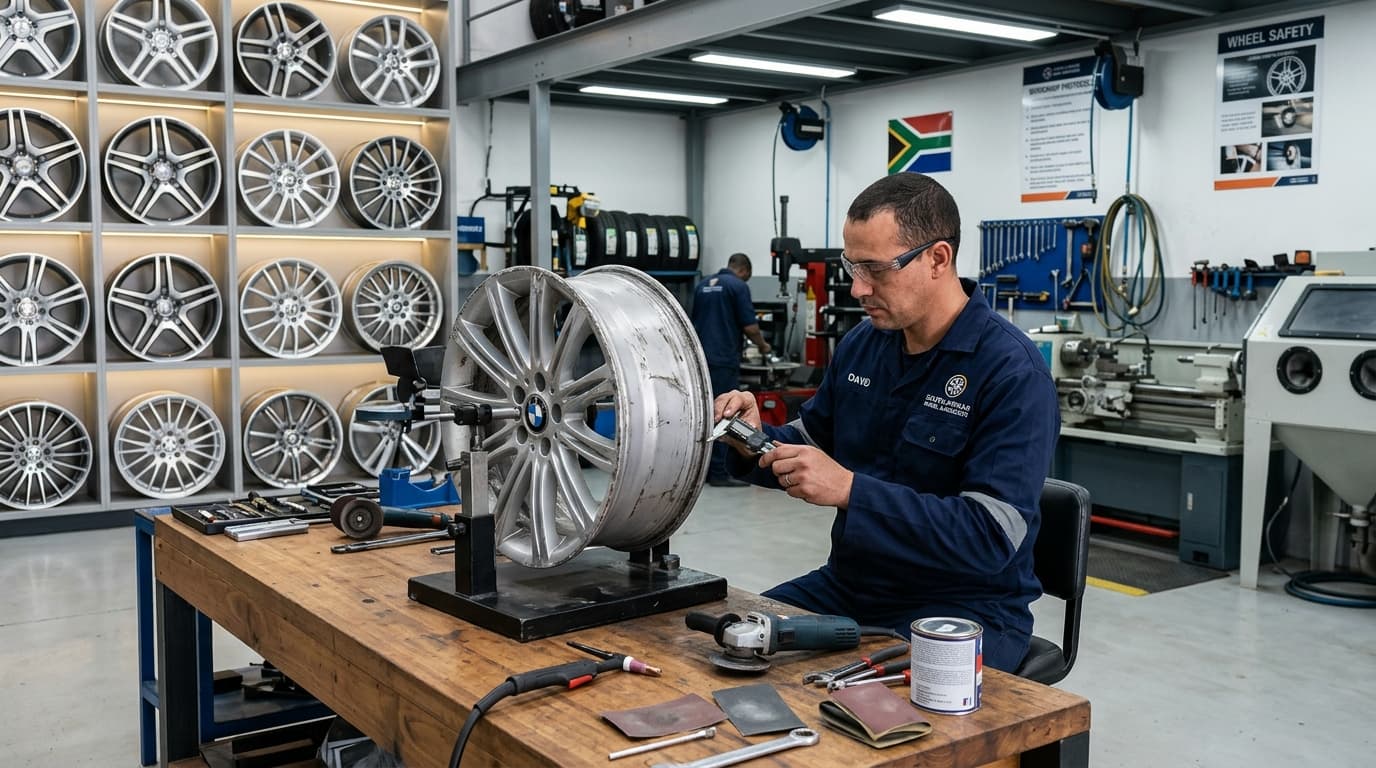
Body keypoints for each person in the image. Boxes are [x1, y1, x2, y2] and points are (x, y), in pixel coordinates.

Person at [713, 173, 1059, 671]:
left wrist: (853, 490)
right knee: (730, 643)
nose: (858, 288)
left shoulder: (1011, 372)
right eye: (852, 267)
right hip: (850, 587)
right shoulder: (863, 345)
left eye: (876, 269)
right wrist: (752, 440)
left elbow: (989, 538)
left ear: (937, 259)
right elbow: (808, 445)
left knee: (860, 716)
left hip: (965, 608)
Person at [692, 252, 771, 488]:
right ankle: (719, 471)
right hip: (723, 358)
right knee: (725, 415)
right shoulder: (738, 286)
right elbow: (750, 326)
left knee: (705, 413)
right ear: (744, 271)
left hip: (699, 359)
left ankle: (703, 471)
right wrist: (764, 346)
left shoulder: (703, 284)